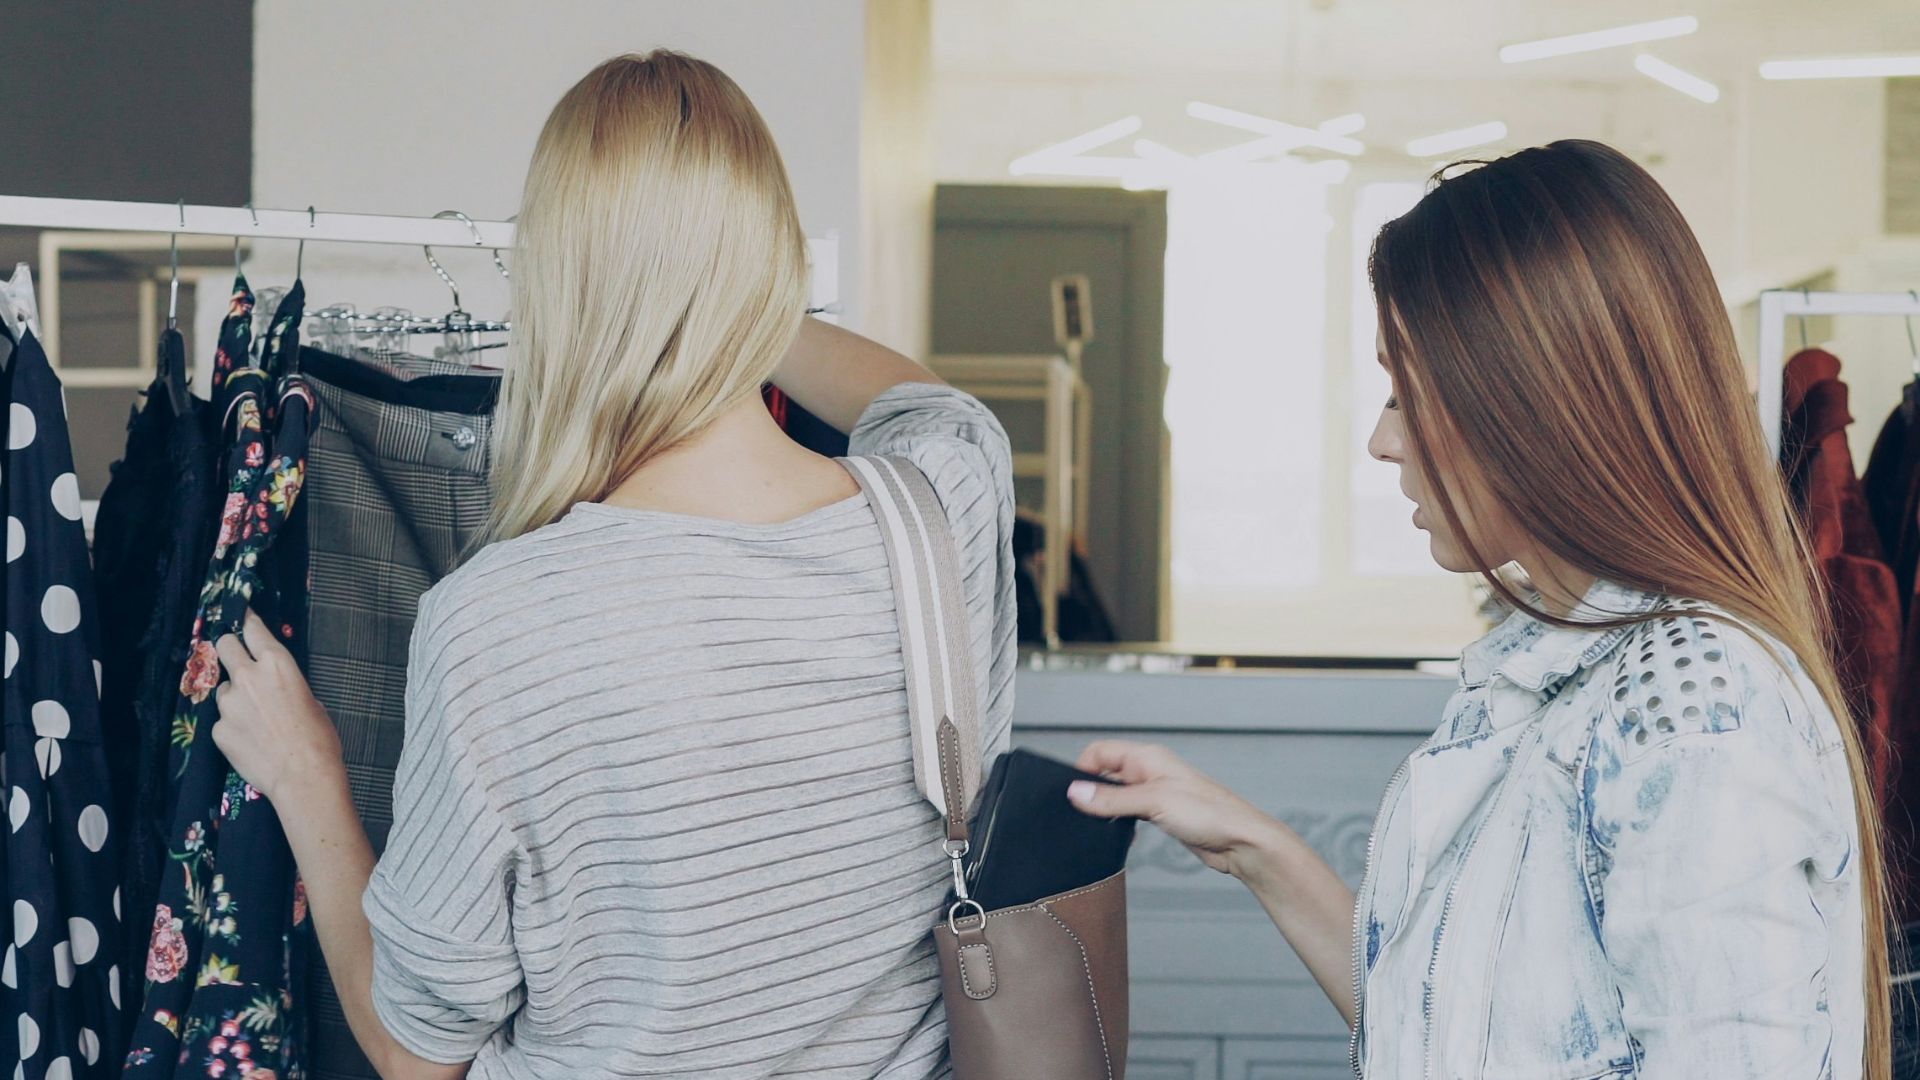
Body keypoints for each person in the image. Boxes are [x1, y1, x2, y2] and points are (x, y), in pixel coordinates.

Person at [208, 52, 1016, 1079]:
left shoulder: (499, 623)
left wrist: (304, 772)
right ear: (774, 271)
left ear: (559, 285)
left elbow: (419, 1057)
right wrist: (732, 310)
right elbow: (926, 400)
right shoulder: (944, 507)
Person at [1069, 140, 1890, 1079]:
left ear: (1528, 396)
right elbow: (1451, 1036)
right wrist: (1258, 850)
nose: (1384, 441)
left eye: (1403, 390)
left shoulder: (1691, 705)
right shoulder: (1563, 662)